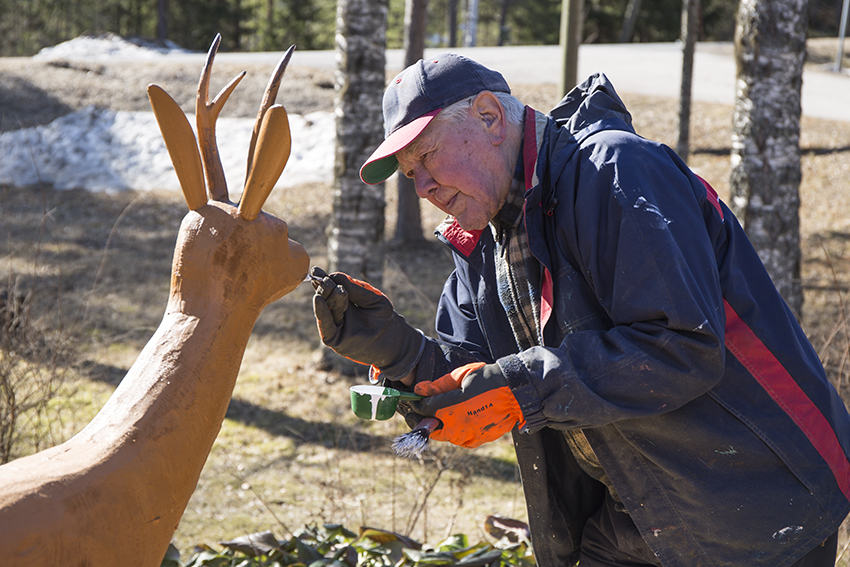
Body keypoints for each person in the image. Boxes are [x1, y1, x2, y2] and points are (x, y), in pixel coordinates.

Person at [310, 53, 850, 567]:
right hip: (640, 508)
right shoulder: (483, 237)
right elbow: (475, 388)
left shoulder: (615, 171)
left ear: (490, 116)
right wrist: (397, 352)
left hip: (753, 507)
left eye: (426, 155)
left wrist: (522, 388)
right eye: (409, 174)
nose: (422, 186)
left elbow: (682, 346)